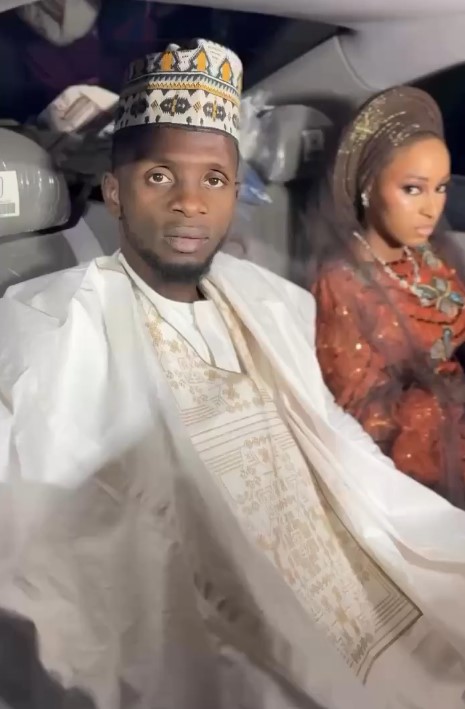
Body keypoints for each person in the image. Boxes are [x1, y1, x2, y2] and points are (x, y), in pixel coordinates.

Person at [1, 44, 465, 709]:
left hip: (356, 573)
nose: (191, 202)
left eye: (214, 179)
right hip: (225, 623)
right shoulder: (50, 321)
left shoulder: (267, 299)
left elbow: (333, 433)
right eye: (161, 176)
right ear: (115, 191)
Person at [312, 86, 465, 509]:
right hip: (413, 457)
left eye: (441, 188)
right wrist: (448, 407)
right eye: (413, 189)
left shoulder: (429, 254)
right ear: (368, 186)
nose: (432, 209)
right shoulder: (341, 284)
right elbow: (362, 415)